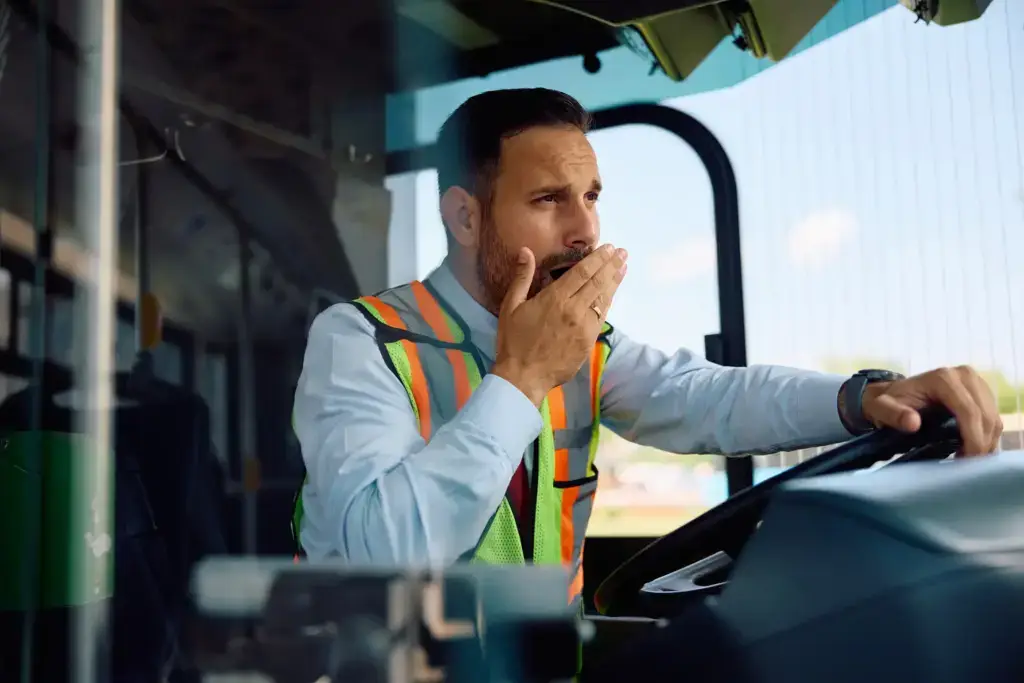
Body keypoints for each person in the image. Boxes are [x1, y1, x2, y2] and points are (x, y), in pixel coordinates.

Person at [290, 88, 1002, 600]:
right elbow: (378, 556)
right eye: (549, 200)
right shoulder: (361, 339)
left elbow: (702, 395)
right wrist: (520, 381)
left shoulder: (584, 345)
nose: (585, 231)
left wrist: (863, 396)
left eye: (591, 196)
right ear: (465, 218)